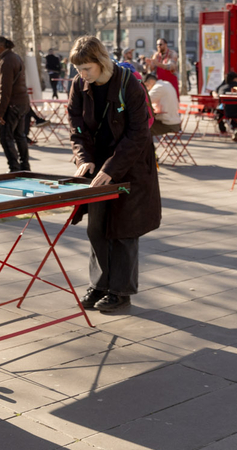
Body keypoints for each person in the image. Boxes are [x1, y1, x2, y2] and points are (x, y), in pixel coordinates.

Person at [68, 36, 161, 313]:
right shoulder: (78, 84)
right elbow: (76, 126)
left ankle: (120, 291)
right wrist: (84, 159)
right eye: (78, 69)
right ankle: (99, 285)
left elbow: (138, 133)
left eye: (87, 69)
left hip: (130, 164)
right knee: (96, 227)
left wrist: (112, 168)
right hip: (96, 164)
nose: (82, 75)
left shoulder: (129, 83)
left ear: (101, 62)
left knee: (123, 229)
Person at [0, 36, 31, 172]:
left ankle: (15, 167)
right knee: (20, 136)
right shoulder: (15, 57)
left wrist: (0, 113)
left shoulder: (6, 61)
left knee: (6, 138)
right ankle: (24, 165)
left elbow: (5, 90)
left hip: (12, 104)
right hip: (22, 102)